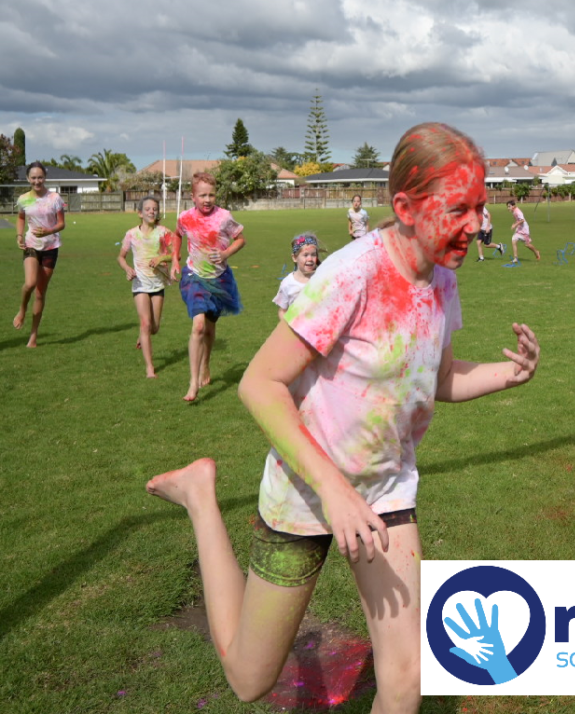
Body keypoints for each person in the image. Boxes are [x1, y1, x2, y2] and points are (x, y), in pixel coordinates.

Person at [145, 122, 541, 711]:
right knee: (250, 680)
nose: (477, 224)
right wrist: (330, 488)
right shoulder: (350, 274)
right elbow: (259, 383)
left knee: (405, 680)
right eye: (459, 208)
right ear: (405, 206)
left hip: (384, 492)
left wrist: (508, 374)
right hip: (306, 494)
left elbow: (439, 379)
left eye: (480, 208)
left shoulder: (443, 280)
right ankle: (201, 496)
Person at [171, 172, 246, 402]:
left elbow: (241, 239)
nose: (207, 199)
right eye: (202, 195)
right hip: (194, 276)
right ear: (192, 196)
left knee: (210, 330)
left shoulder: (224, 217)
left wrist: (225, 253)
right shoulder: (185, 217)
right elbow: (177, 235)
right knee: (199, 326)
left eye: (211, 195)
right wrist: (175, 258)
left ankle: (205, 364)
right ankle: (193, 383)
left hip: (219, 280)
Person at [117, 196, 175, 378]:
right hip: (140, 283)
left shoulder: (164, 232)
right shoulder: (131, 234)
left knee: (154, 328)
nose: (152, 211)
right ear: (140, 213)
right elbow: (121, 256)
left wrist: (161, 258)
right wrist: (127, 269)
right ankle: (150, 368)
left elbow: (175, 254)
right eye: (148, 209)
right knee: (145, 323)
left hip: (157, 283)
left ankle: (144, 335)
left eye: (155, 209)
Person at [13, 161, 65, 348]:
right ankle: (22, 310)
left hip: (51, 247)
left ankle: (33, 336)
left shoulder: (55, 198)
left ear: (45, 178)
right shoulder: (23, 199)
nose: (37, 181)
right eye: (33, 178)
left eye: (40, 177)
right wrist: (19, 235)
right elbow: (20, 218)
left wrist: (49, 231)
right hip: (31, 245)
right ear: (28, 179)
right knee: (30, 283)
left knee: (41, 293)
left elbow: (61, 224)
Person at [273, 232, 320, 320]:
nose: (310, 259)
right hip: (297, 331)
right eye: (305, 255)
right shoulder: (287, 283)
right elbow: (283, 311)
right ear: (294, 257)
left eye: (313, 255)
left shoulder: (322, 279)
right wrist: (287, 328)